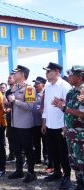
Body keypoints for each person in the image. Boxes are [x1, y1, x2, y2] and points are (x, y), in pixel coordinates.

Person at [52, 65, 84, 190]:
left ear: (79, 77)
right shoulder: (71, 92)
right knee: (74, 161)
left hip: (81, 135)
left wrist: (64, 107)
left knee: (82, 160)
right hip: (71, 134)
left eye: (71, 75)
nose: (69, 77)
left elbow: (82, 113)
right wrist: (65, 126)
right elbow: (68, 111)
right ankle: (80, 184)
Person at [42, 62, 72, 190]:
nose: (46, 74)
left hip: (61, 125)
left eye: (49, 71)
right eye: (46, 71)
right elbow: (46, 106)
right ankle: (57, 172)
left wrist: (65, 125)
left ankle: (67, 176)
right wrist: (44, 121)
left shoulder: (65, 86)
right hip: (50, 124)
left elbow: (69, 107)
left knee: (63, 152)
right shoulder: (48, 86)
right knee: (53, 151)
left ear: (57, 72)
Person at [7, 65, 37, 183]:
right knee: (17, 149)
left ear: (23, 74)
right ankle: (19, 170)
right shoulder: (16, 88)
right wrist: (9, 103)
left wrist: (15, 101)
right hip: (15, 124)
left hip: (25, 125)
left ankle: (31, 172)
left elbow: (30, 107)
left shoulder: (29, 89)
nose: (14, 74)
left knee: (28, 149)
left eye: (16, 72)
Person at [31, 76, 47, 165]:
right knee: (36, 142)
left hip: (43, 123)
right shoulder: (32, 94)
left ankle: (46, 158)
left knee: (45, 142)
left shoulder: (46, 94)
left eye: (37, 83)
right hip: (34, 123)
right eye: (35, 83)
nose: (35, 85)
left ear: (43, 85)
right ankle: (37, 158)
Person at [5, 73, 16, 163]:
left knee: (18, 137)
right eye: (8, 78)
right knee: (10, 136)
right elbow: (7, 103)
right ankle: (12, 154)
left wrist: (9, 106)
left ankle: (20, 156)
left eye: (10, 78)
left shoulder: (18, 90)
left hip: (17, 117)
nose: (8, 80)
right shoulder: (8, 92)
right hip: (9, 117)